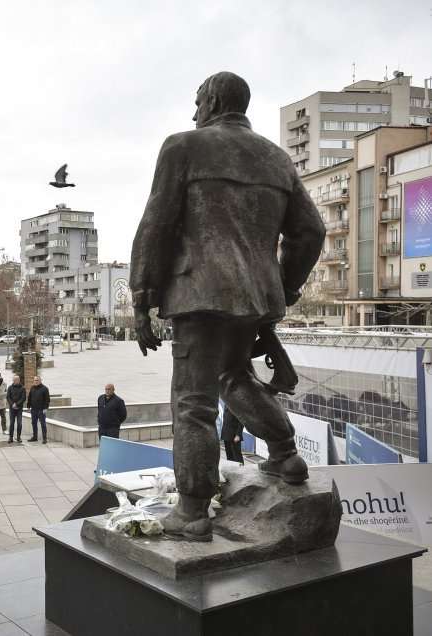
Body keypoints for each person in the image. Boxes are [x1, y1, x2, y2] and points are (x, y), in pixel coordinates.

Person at [130, 72, 324, 541]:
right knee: (234, 376)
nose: (194, 112)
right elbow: (311, 232)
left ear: (213, 100)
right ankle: (285, 455)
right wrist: (283, 287)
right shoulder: (276, 159)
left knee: (193, 402)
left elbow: (156, 223)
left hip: (199, 296)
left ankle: (193, 510)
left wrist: (141, 296)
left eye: (197, 102)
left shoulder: (184, 146)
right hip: (255, 297)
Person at [27, 376, 51, 443]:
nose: (36, 381)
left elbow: (47, 400)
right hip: (33, 410)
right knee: (34, 423)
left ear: (40, 380)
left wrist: (46, 408)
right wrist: (28, 406)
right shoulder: (32, 388)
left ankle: (44, 438)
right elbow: (29, 397)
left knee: (43, 424)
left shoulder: (45, 389)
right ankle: (35, 437)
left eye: (37, 380)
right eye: (35, 380)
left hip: (41, 410)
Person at [6, 375, 26, 443]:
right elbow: (8, 397)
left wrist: (17, 404)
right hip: (12, 409)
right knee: (11, 423)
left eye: (17, 380)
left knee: (19, 423)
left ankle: (18, 437)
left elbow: (23, 398)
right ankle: (10, 437)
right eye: (14, 380)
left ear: (19, 380)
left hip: (19, 409)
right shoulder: (10, 388)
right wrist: (12, 404)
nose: (16, 381)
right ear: (13, 380)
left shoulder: (22, 388)